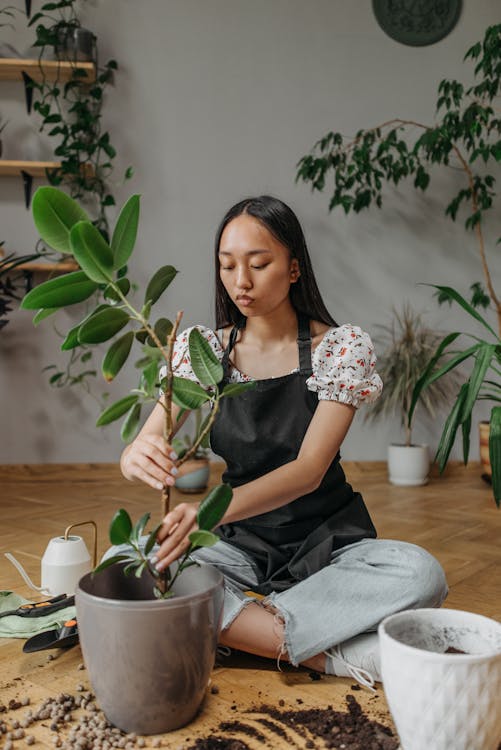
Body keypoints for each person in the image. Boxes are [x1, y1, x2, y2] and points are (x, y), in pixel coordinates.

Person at [120, 195, 447, 688]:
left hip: (328, 541)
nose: (241, 282)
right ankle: (329, 654)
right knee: (129, 562)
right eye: (227, 266)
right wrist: (133, 454)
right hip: (237, 545)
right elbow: (148, 438)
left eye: (259, 264)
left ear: (294, 269)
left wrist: (207, 513)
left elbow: (308, 470)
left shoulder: (339, 348)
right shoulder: (206, 352)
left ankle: (239, 632)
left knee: (423, 574)